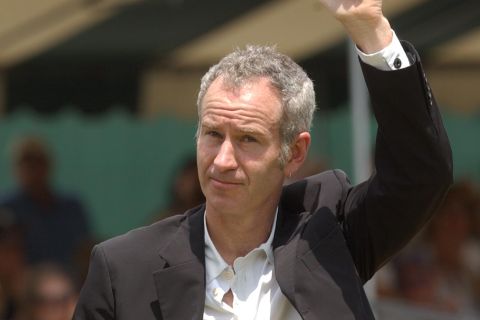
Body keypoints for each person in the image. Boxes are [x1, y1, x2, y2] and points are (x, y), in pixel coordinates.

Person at [73, 0, 453, 319]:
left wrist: (371, 29)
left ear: (295, 153)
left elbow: (420, 175)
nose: (222, 160)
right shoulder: (123, 269)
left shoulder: (329, 234)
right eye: (212, 134)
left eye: (247, 139)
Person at [0, 136, 91, 268]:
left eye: (37, 163)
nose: (32, 170)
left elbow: (86, 247)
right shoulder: (6, 207)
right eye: (26, 163)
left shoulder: (72, 206)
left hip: (71, 281)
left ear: (48, 165)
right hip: (24, 283)